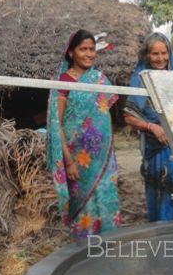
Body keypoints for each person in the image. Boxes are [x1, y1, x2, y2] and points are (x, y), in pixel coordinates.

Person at [46, 30, 121, 240]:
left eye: (91, 49)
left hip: (103, 159)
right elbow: (56, 124)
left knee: (105, 200)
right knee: (84, 207)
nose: (89, 54)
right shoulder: (62, 81)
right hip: (77, 161)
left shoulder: (100, 79)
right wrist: (69, 162)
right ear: (71, 53)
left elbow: (103, 117)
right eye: (83, 49)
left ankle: (109, 244)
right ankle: (83, 252)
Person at [124, 32, 173, 221]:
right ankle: (161, 235)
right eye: (155, 54)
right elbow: (129, 115)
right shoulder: (141, 78)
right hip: (155, 147)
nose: (160, 58)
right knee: (160, 190)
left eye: (164, 53)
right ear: (147, 56)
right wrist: (152, 127)